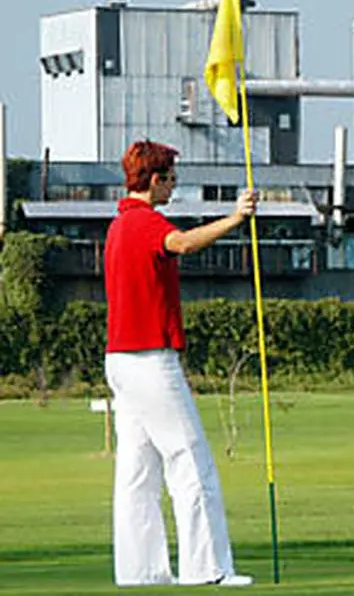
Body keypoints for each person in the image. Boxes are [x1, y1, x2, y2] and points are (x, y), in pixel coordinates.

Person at [104, 139, 257, 587]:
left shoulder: (118, 225)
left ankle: (141, 571)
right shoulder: (145, 222)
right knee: (190, 461)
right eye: (171, 179)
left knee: (138, 472)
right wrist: (235, 217)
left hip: (121, 361)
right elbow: (184, 244)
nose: (174, 187)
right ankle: (208, 569)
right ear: (155, 180)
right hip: (151, 359)